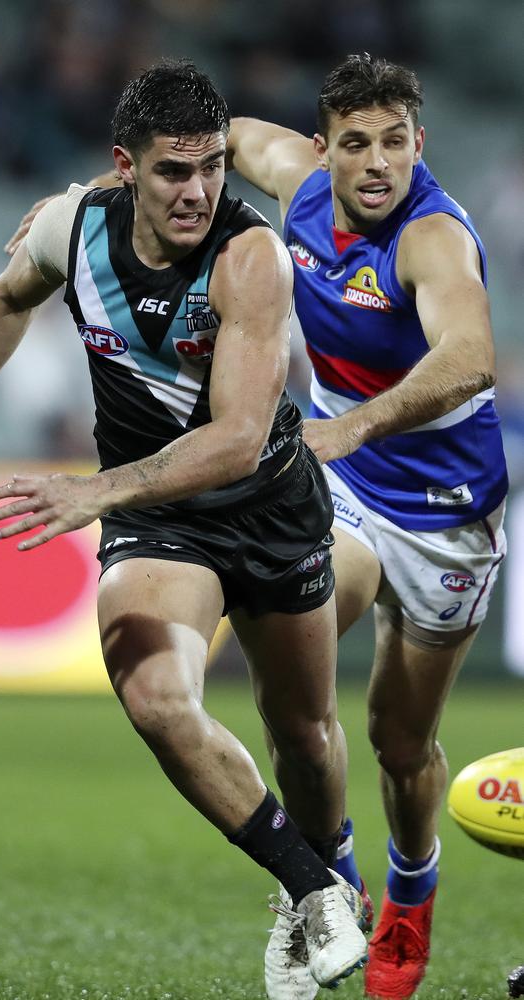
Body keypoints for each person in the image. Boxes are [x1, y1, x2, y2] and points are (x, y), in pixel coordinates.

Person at [0, 60, 368, 994]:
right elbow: (3, 303)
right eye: (171, 172)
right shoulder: (74, 228)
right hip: (164, 527)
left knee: (306, 732)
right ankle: (311, 890)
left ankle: (335, 869)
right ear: (124, 167)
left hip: (269, 505)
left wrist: (95, 492)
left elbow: (236, 440)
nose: (197, 191)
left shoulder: (251, 257)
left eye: (209, 169)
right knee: (156, 700)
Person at [223, 53, 508, 1000]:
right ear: (325, 149)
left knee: (397, 739)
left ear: (418, 142)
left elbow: (470, 360)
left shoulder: (432, 238)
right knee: (290, 650)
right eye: (356, 143)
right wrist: (86, 196)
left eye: (396, 141)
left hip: (442, 513)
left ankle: (411, 889)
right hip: (343, 495)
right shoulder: (292, 179)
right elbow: (197, 144)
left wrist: (348, 424)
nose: (378, 161)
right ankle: (328, 881)